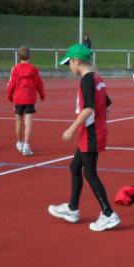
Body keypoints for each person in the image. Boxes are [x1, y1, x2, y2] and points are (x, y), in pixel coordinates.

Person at [47, 43, 120, 232]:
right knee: (75, 167)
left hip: (91, 133)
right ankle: (72, 208)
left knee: (90, 173)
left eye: (69, 63)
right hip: (94, 131)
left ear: (76, 61)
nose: (69, 67)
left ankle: (108, 214)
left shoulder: (87, 80)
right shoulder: (97, 78)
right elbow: (108, 106)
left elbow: (88, 108)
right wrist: (99, 122)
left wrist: (71, 129)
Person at [7, 46, 45, 156]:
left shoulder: (15, 69)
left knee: (18, 122)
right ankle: (26, 146)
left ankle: (20, 143)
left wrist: (9, 96)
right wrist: (42, 94)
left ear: (19, 56)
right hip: (29, 98)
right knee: (28, 123)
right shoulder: (33, 69)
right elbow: (39, 83)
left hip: (18, 98)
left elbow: (12, 84)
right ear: (30, 56)